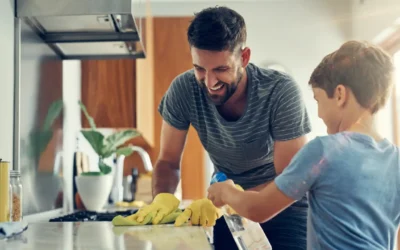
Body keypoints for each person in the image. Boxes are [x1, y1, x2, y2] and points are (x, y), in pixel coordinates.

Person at [130, 6, 311, 250]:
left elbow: (289, 180)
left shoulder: (280, 92)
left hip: (283, 210)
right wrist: (163, 199)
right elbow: (168, 162)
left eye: (221, 69)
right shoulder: (184, 90)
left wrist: (228, 198)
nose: (210, 82)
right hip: (228, 212)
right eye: (200, 69)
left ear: (244, 58)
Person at [207, 40, 400, 250]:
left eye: (318, 100)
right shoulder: (396, 160)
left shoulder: (324, 151)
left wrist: (226, 191)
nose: (318, 114)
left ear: (339, 94)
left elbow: (259, 209)